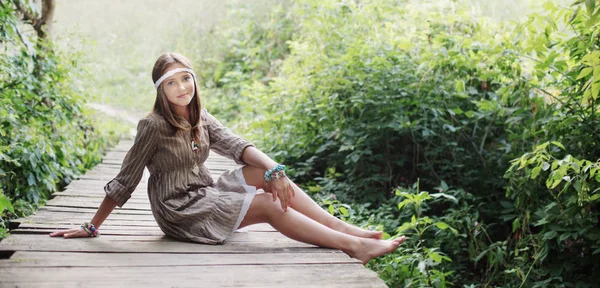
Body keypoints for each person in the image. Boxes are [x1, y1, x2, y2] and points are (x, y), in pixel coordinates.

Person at [50, 52, 406, 265]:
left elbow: (236, 145)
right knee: (267, 204)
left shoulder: (200, 115)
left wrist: (275, 170)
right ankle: (355, 246)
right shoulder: (153, 126)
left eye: (186, 79)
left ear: (194, 80)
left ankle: (344, 227)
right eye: (171, 83)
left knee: (265, 175)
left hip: (205, 192)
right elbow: (125, 179)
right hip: (179, 210)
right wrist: (92, 225)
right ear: (161, 89)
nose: (182, 88)